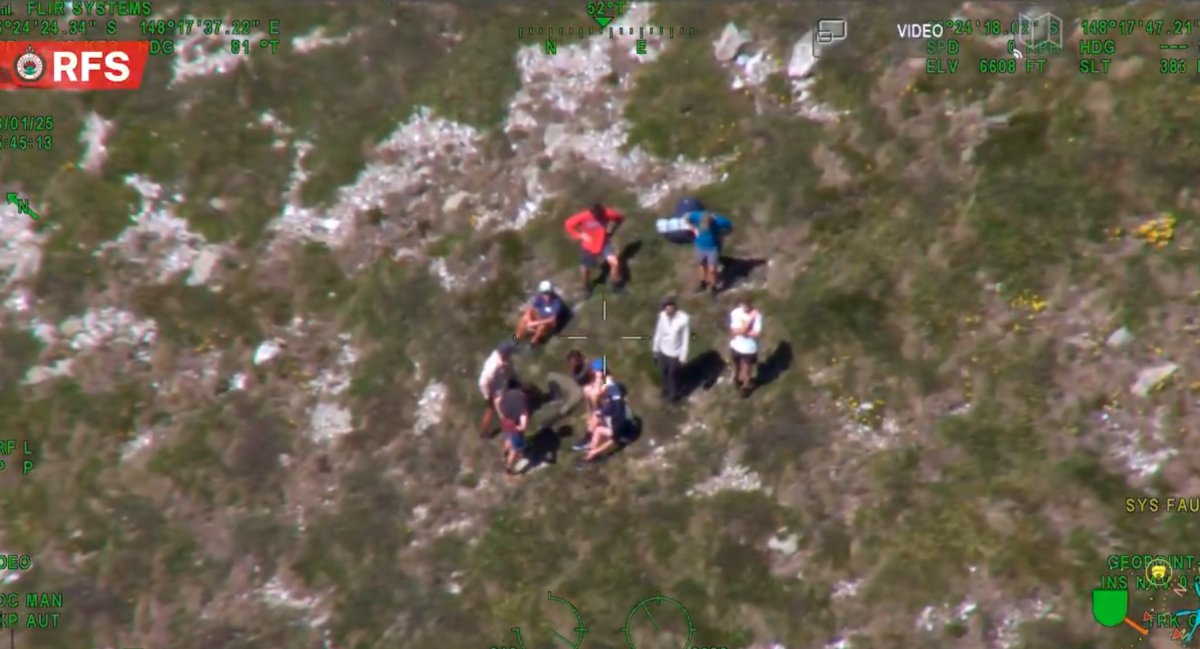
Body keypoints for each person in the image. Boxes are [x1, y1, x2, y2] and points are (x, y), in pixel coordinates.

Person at [564, 203, 625, 297]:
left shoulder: (608, 213)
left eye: (598, 214)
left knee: (615, 263)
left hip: (604, 243)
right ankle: (586, 287)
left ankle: (616, 286)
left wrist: (612, 231)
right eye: (594, 214)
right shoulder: (584, 216)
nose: (596, 216)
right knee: (585, 270)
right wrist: (579, 235)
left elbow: (619, 218)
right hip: (589, 246)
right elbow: (568, 224)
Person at [580, 378, 630, 465]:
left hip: (618, 430)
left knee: (599, 429)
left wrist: (598, 450)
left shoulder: (620, 411)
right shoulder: (615, 402)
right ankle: (591, 453)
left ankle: (592, 454)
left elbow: (614, 439)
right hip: (613, 423)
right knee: (598, 428)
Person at [684, 208, 733, 296]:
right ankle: (703, 284)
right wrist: (690, 226)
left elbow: (730, 225)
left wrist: (725, 233)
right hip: (700, 247)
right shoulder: (697, 216)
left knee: (712, 269)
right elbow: (686, 216)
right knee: (701, 265)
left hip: (713, 248)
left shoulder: (719, 221)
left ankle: (714, 288)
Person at [651, 296, 690, 403]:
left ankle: (674, 396)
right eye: (665, 308)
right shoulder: (662, 316)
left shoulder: (683, 319)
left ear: (674, 307)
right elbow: (658, 333)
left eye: (669, 307)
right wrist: (655, 350)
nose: (667, 310)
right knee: (664, 372)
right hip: (663, 351)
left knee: (672, 375)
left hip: (674, 354)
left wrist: (683, 357)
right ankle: (665, 390)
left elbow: (685, 340)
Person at [477, 341, 516, 438]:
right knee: (492, 411)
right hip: (495, 391)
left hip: (503, 385)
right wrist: (488, 395)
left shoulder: (504, 358)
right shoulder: (493, 366)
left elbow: (509, 368)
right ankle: (485, 433)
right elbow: (483, 381)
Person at [728, 296, 763, 398]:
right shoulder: (735, 313)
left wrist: (743, 332)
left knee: (747, 370)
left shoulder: (757, 315)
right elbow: (733, 330)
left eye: (747, 305)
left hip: (749, 348)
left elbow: (756, 333)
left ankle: (745, 387)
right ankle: (736, 380)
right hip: (736, 345)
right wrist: (749, 324)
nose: (745, 308)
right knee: (736, 366)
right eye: (743, 305)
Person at [515, 280, 564, 346]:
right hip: (541, 319)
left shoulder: (557, 301)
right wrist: (529, 320)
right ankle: (516, 339)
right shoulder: (540, 298)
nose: (546, 295)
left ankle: (532, 343)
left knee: (542, 327)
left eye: (548, 293)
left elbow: (552, 320)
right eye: (544, 293)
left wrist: (534, 323)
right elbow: (530, 309)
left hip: (549, 326)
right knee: (524, 318)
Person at [497, 380, 530, 474]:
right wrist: (521, 427)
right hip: (514, 428)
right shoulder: (523, 401)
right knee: (515, 449)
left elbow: (498, 401)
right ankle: (508, 466)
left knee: (508, 438)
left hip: (505, 424)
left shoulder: (506, 394)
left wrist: (501, 415)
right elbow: (524, 417)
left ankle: (505, 453)